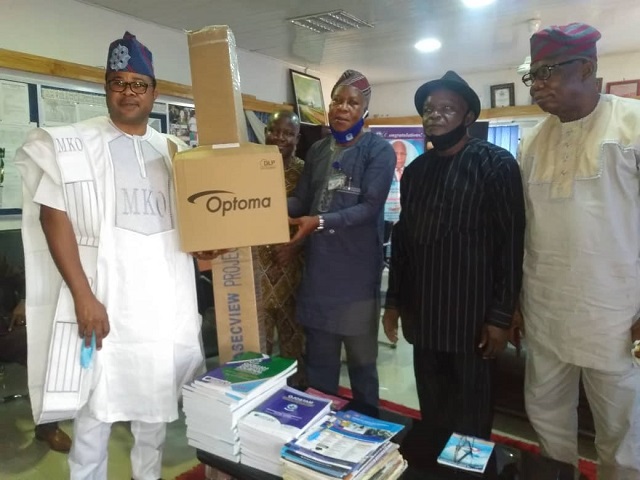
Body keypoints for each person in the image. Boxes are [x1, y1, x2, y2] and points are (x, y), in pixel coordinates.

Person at [15, 32, 206, 480]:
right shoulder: (76, 143)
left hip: (163, 310)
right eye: (118, 82)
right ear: (105, 87)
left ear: (154, 92)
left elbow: (192, 226)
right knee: (94, 413)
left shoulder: (173, 151)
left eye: (138, 83)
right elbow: (53, 217)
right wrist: (84, 296)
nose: (128, 92)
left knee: (155, 417)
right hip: (107, 305)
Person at [515, 23, 640, 476]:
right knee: (546, 417)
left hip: (617, 316)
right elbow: (525, 229)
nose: (538, 84)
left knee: (624, 431)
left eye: (548, 71)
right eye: (533, 74)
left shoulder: (632, 123)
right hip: (546, 310)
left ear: (587, 68)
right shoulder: (531, 141)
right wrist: (517, 304)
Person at [382, 71, 525, 439]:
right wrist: (394, 302)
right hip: (425, 316)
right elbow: (404, 242)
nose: (435, 115)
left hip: (473, 321)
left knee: (472, 421)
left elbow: (510, 244)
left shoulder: (496, 164)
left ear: (468, 117)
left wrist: (500, 316)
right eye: (429, 109)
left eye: (447, 108)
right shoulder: (414, 173)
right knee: (433, 412)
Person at [287, 70, 395, 408]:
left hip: (357, 279)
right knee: (320, 368)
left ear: (365, 111)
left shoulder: (379, 151)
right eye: (336, 100)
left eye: (352, 102)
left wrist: (318, 221)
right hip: (319, 277)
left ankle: (367, 441)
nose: (342, 108)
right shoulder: (318, 150)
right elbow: (302, 199)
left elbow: (369, 207)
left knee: (363, 368)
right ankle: (321, 442)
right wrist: (268, 208)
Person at [0, 258, 72, 453]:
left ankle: (47, 427)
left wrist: (23, 301)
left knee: (42, 349)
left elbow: (25, 279)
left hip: (5, 331)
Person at [256, 110, 306, 384]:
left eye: (288, 133)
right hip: (257, 270)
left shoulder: (304, 171)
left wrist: (296, 248)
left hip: (291, 270)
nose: (279, 138)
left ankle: (297, 402)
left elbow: (313, 216)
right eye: (274, 131)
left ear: (297, 138)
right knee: (257, 349)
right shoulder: (247, 167)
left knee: (294, 345)